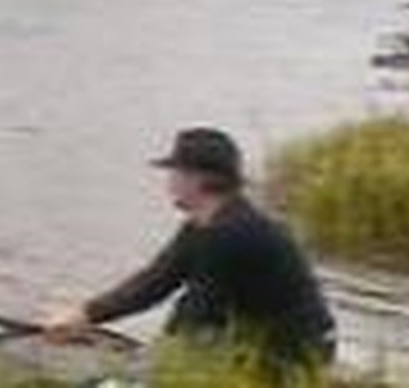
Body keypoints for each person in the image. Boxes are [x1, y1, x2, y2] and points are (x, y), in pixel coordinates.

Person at [44, 127, 336, 376]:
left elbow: (198, 313)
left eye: (174, 172)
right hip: (260, 339)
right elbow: (155, 281)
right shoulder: (203, 225)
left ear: (198, 178)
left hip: (296, 352)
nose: (169, 182)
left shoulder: (231, 233)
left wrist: (155, 363)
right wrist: (85, 314)